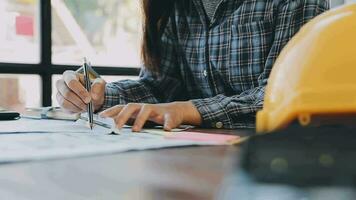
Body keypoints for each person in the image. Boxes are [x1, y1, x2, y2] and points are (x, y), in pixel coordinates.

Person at [56, 0, 329, 131]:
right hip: (191, 155)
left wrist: (188, 109)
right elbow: (162, 88)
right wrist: (99, 96)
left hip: (273, 161)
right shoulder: (175, 7)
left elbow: (285, 97)